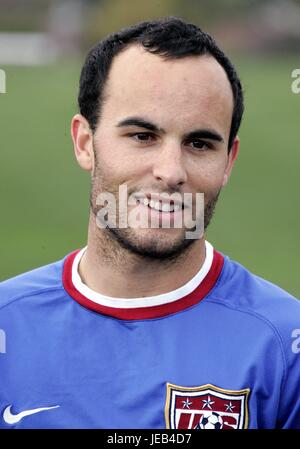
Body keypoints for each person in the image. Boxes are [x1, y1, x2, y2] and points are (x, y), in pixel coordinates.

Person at [0, 16, 299, 430]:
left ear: (228, 161)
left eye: (199, 143)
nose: (171, 171)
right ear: (85, 142)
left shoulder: (285, 348)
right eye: (142, 136)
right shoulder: (7, 327)